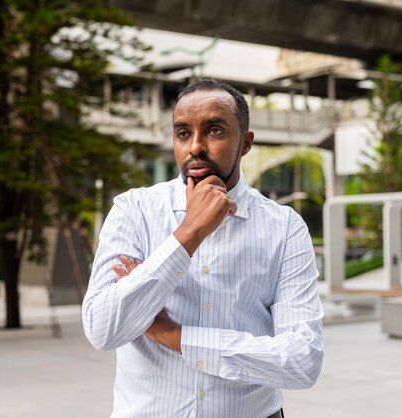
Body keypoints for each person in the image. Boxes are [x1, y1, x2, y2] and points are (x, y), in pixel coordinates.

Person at [82, 79, 324, 418]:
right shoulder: (134, 210)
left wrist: (174, 335)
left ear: (245, 143)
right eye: (183, 133)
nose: (195, 146)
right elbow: (103, 329)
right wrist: (189, 234)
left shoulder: (285, 228)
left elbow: (302, 361)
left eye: (213, 131)